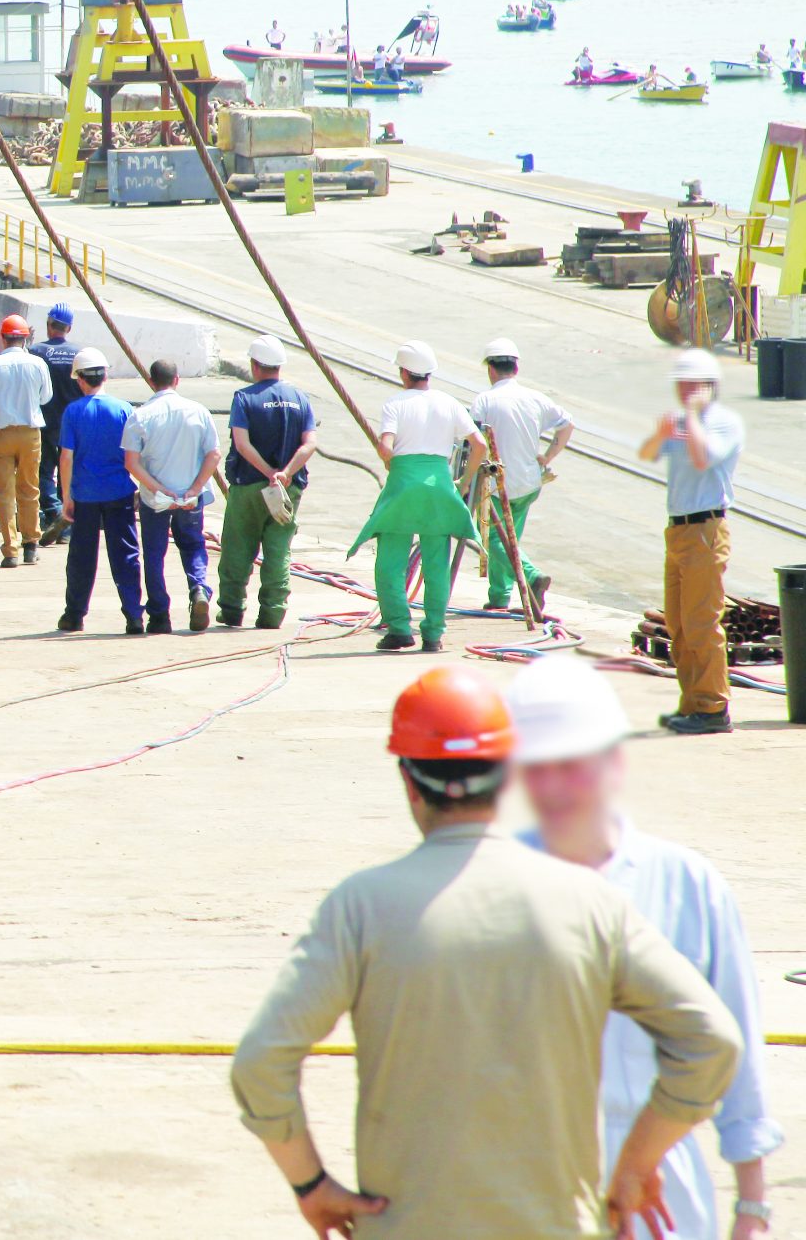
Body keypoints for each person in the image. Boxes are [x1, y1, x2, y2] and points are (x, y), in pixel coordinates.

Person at [232, 668, 740, 1240]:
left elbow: (260, 1061)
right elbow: (712, 1042)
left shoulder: (361, 907)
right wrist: (636, 1165)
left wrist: (310, 1184)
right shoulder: (590, 903)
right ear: (505, 778)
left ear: (408, 781)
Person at [510, 662, 784, 1240]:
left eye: (571, 764)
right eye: (537, 768)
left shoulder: (685, 882)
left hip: (661, 1187)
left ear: (613, 762)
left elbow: (735, 1042)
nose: (554, 786)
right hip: (530, 1180)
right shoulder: (494, 885)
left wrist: (752, 1206)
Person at [352, 340, 485, 653]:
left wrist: (391, 462)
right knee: (436, 565)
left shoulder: (396, 404)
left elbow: (386, 446)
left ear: (403, 372)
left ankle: (399, 629)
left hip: (403, 486)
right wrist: (464, 483)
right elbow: (479, 445)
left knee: (389, 563)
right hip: (439, 486)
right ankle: (433, 635)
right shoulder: (449, 402)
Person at [639, 350, 743, 735]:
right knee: (679, 624)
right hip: (678, 530)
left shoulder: (723, 424)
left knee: (702, 622)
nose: (685, 391)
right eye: (682, 385)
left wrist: (694, 421)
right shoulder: (682, 424)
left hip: (705, 529)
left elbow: (704, 460)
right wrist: (664, 432)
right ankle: (692, 702)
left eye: (692, 385)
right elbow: (649, 453)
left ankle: (713, 706)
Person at [219, 335, 315, 630]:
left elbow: (242, 444)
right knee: (278, 550)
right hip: (287, 490)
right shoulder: (301, 399)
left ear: (255, 365)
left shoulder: (244, 399)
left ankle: (233, 610)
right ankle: (273, 613)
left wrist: (268, 471)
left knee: (237, 547)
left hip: (248, 486)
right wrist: (284, 473)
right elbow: (310, 444)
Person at [472, 337, 573, 615]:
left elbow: (475, 443)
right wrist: (548, 456)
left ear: (491, 369)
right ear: (516, 368)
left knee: (495, 539)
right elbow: (567, 425)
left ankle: (531, 577)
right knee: (509, 536)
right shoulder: (536, 398)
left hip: (496, 484)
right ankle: (499, 596)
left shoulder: (485, 400)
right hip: (528, 482)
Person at [122, 356, 222, 635]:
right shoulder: (198, 411)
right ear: (177, 380)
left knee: (154, 554)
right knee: (192, 546)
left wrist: (157, 488)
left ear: (151, 382)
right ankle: (199, 588)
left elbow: (131, 462)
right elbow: (214, 454)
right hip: (190, 497)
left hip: (157, 499)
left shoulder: (140, 415)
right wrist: (195, 487)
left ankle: (159, 614)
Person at [56, 348, 142, 634]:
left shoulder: (73, 412)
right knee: (126, 555)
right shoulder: (124, 409)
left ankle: (75, 615)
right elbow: (135, 454)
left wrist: (67, 497)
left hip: (85, 495)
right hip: (119, 492)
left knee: (82, 557)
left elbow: (66, 457)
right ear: (106, 375)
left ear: (80, 380)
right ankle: (134, 615)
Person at [0, 313, 53, 566]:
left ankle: (10, 550)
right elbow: (45, 397)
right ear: (25, 339)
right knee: (30, 488)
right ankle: (31, 545)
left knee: (3, 493)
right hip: (30, 433)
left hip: (0, 435)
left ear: (2, 339)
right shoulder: (38, 364)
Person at [29, 306, 80, 543]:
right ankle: (67, 527)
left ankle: (53, 514)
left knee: (44, 471)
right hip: (73, 423)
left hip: (45, 422)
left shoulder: (36, 351)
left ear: (49, 324)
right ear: (68, 328)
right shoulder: (79, 354)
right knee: (68, 474)